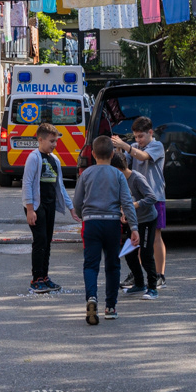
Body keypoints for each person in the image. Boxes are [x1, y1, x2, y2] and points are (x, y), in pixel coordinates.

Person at [73, 135, 136, 325]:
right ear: (112, 153)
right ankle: (110, 307)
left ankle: (92, 297)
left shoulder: (86, 174)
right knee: (112, 265)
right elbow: (127, 202)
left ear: (92, 154)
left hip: (91, 223)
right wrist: (134, 227)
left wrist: (84, 215)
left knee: (90, 265)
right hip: (112, 224)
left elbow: (77, 202)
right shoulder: (118, 175)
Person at [23, 123, 79, 292]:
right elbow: (26, 183)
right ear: (40, 140)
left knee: (47, 242)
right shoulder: (34, 158)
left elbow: (60, 185)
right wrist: (30, 209)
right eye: (51, 141)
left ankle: (45, 277)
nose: (54, 144)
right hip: (36, 206)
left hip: (49, 205)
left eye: (56, 141)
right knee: (39, 241)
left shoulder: (54, 159)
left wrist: (71, 207)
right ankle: (36, 279)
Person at [112, 116, 167, 287]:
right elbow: (124, 165)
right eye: (135, 137)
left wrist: (126, 146)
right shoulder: (133, 147)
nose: (138, 140)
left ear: (150, 132)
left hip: (154, 197)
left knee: (155, 236)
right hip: (135, 201)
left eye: (141, 136)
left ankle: (160, 274)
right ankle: (136, 273)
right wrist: (118, 150)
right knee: (135, 236)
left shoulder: (156, 146)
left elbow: (143, 157)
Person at [117, 158, 159, 298]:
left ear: (119, 169)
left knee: (146, 254)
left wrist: (135, 204)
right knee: (129, 254)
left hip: (147, 220)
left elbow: (152, 197)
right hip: (133, 221)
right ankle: (139, 283)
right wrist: (124, 213)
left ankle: (153, 287)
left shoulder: (137, 178)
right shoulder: (120, 180)